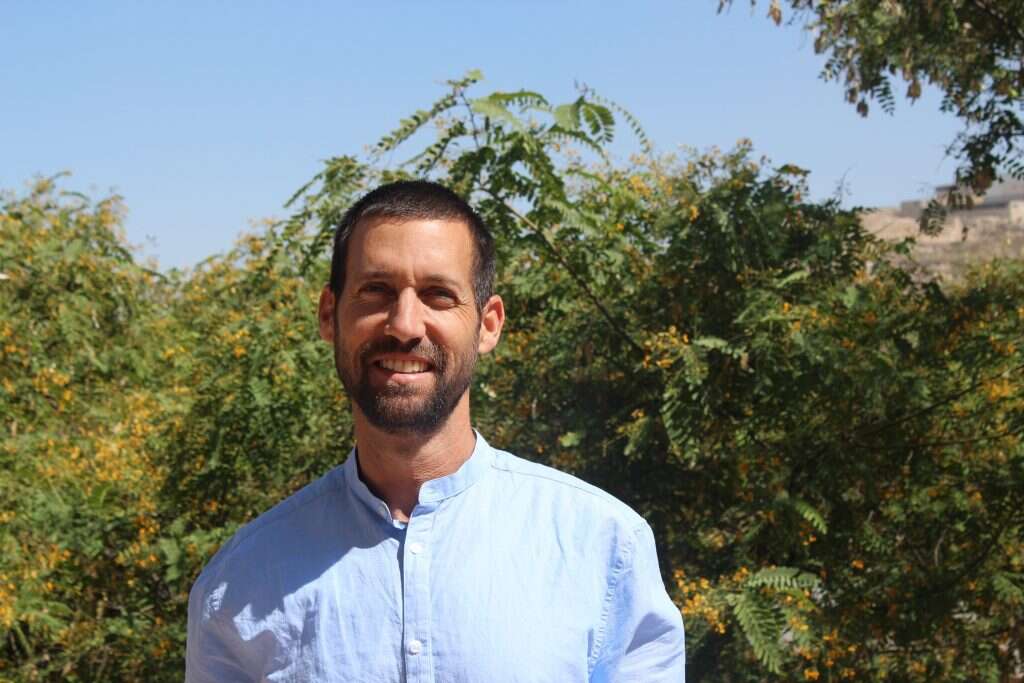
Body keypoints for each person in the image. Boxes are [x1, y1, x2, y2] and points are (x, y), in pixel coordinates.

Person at [185, 180, 686, 682]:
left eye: (438, 295)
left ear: (488, 325)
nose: (405, 325)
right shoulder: (239, 585)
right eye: (376, 291)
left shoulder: (602, 547)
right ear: (329, 316)